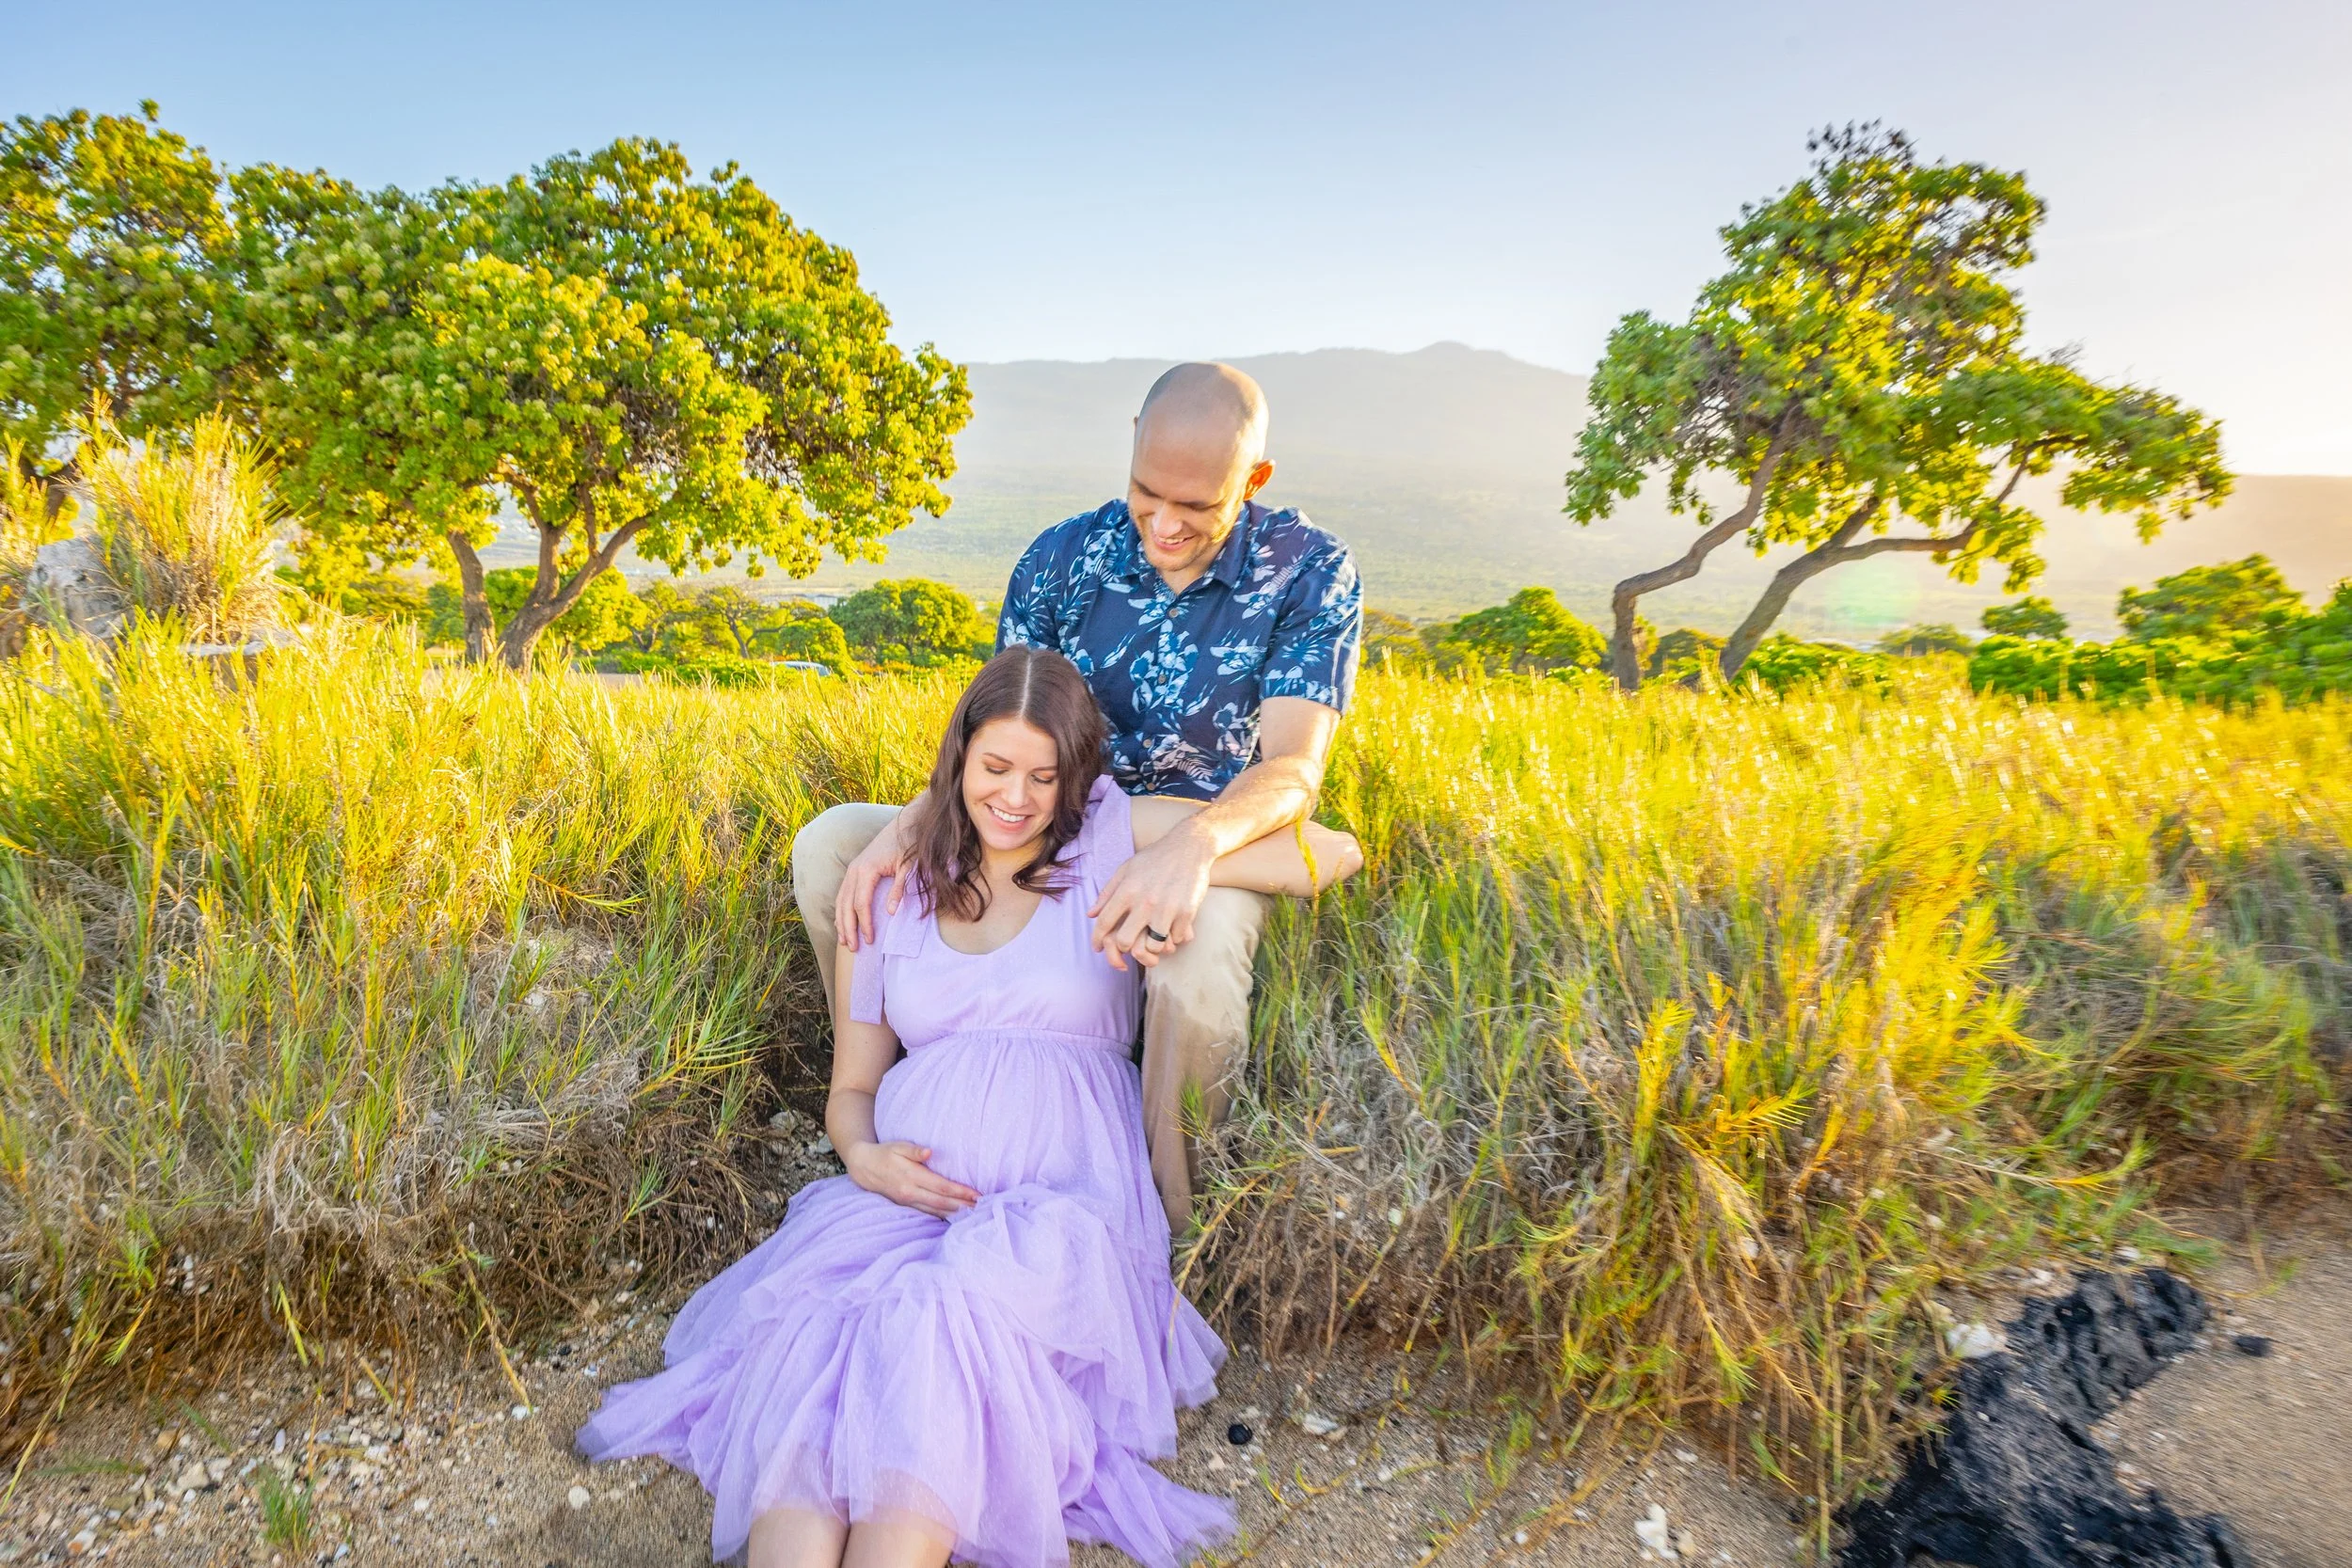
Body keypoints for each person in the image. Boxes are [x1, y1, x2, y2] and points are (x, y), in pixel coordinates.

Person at [578, 647, 1364, 1568]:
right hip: (902, 1200)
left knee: (931, 1324)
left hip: (1052, 1214)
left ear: (1078, 775)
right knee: (828, 1352)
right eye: (995, 768)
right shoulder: (891, 887)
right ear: (956, 761)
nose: (1018, 797)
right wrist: (863, 1158)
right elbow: (852, 1090)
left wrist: (1189, 855)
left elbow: (1333, 850)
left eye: (1045, 774)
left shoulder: (1113, 836)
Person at [793, 361, 1363, 1230]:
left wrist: (1190, 853)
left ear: (1253, 481)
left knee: (1197, 970)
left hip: (1199, 836)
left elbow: (1294, 770)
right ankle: (911, 1088)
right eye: (1145, 494)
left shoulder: (1308, 570)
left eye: (1198, 508)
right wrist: (907, 829)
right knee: (836, 849)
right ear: (1130, 442)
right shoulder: (1062, 559)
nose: (1165, 525)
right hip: (1039, 820)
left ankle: (1166, 1226)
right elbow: (998, 735)